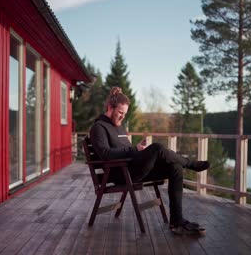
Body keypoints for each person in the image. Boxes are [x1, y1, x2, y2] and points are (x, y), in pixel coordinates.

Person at [89, 86, 210, 235]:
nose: (122, 117)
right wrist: (134, 150)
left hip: (132, 168)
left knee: (176, 168)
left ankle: (177, 221)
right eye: (120, 112)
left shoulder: (119, 127)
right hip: (121, 174)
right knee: (157, 148)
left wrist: (138, 149)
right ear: (109, 107)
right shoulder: (98, 128)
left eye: (125, 114)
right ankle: (191, 164)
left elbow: (124, 150)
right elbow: (106, 154)